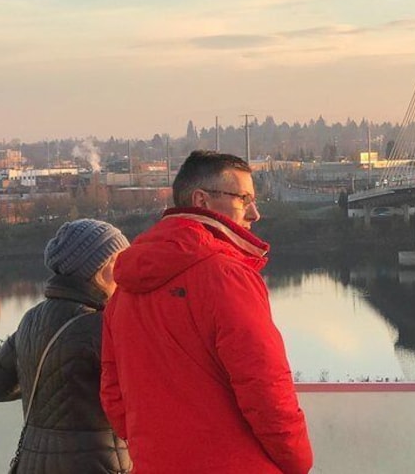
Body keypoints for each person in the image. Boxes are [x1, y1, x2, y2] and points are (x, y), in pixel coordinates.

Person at [100, 150, 313, 474]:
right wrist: (298, 462)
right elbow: (266, 390)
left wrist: (162, 446)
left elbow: (114, 396)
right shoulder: (226, 277)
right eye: (244, 199)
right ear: (201, 201)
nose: (254, 213)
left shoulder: (124, 291)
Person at [0, 219, 132, 473]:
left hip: (33, 464)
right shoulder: (104, 328)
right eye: (121, 261)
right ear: (101, 270)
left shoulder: (30, 320)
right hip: (98, 465)